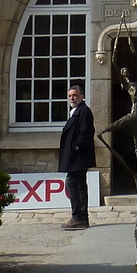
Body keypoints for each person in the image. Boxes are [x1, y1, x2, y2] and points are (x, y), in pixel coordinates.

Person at [58, 83, 96, 230]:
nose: (72, 98)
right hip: (75, 156)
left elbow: (86, 132)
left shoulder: (84, 111)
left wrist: (77, 147)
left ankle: (78, 217)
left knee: (72, 183)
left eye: (75, 95)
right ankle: (81, 217)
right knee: (78, 185)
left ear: (82, 96)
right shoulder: (75, 111)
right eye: (70, 96)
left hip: (78, 156)